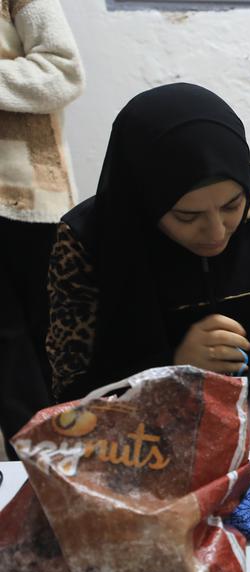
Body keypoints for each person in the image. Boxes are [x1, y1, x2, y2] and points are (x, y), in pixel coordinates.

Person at [47, 83, 250, 450]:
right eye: (187, 215)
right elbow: (71, 388)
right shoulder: (91, 241)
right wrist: (173, 368)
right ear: (145, 202)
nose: (215, 231)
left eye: (231, 206)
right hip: (147, 424)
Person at [0, 0, 84, 454]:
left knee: (53, 352)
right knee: (8, 360)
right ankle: (39, 485)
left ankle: (65, 485)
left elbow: (63, 71)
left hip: (30, 198)